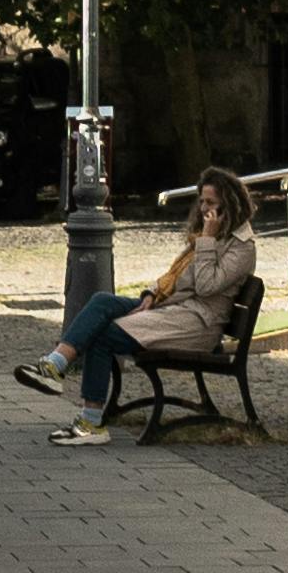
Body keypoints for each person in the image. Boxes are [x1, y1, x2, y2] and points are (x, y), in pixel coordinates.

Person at [61, 173, 260, 439]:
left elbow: (205, 286)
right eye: (202, 202)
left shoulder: (241, 248)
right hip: (175, 309)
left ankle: (91, 421)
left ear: (229, 204)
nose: (204, 209)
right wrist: (151, 295)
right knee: (102, 302)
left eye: (211, 203)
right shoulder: (210, 237)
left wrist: (207, 240)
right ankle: (55, 364)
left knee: (105, 335)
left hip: (198, 324)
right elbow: (174, 277)